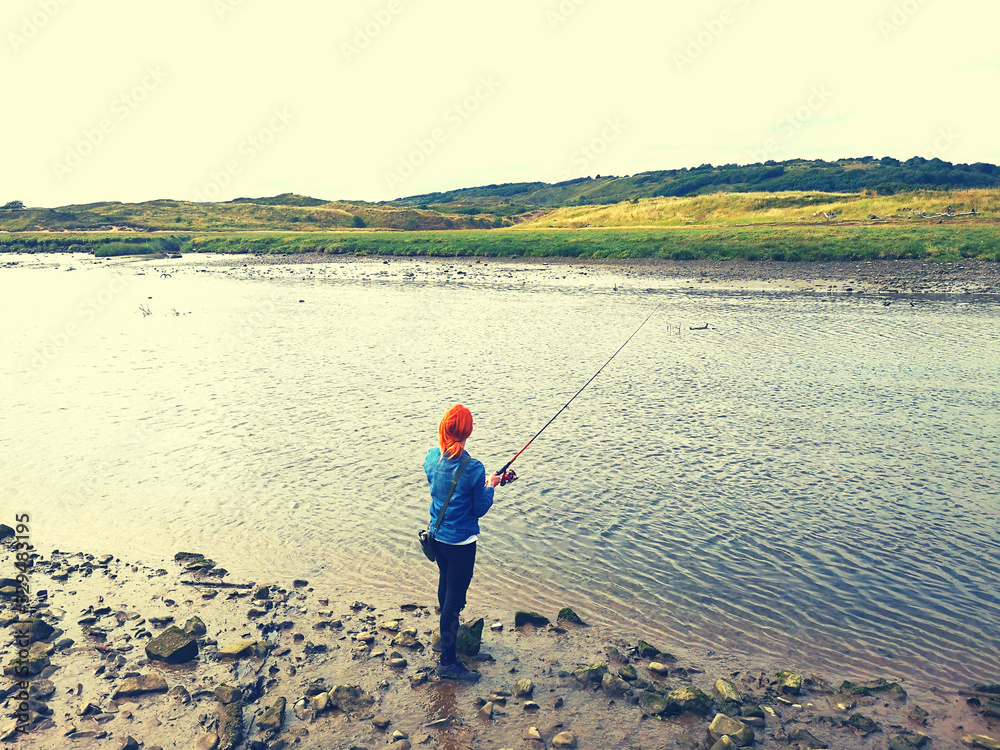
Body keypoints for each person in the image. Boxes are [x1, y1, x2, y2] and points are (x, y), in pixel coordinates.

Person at [424, 404, 502, 681]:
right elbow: (480, 507)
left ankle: (446, 639)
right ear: (468, 432)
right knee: (454, 601)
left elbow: (444, 490)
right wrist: (491, 485)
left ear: (444, 428)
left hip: (438, 537)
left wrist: (483, 483)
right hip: (461, 544)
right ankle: (448, 662)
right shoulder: (474, 468)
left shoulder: (431, 458)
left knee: (445, 586)